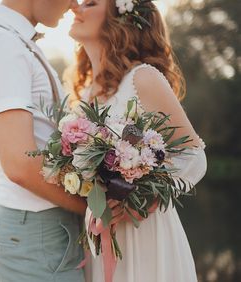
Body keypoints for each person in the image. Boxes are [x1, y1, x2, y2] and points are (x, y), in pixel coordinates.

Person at [69, 0, 207, 281]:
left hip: (144, 234)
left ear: (119, 19)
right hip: (101, 235)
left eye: (91, 3)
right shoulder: (83, 95)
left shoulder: (142, 79)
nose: (76, 7)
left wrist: (142, 198)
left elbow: (195, 156)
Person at [0, 1, 87, 281]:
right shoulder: (1, 46)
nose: (74, 4)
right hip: (35, 235)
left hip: (42, 230)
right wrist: (92, 207)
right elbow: (19, 164)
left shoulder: (15, 43)